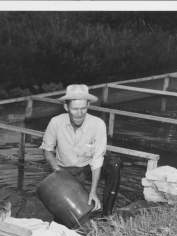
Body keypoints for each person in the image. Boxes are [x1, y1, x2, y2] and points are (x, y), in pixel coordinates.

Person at [40, 84, 122, 217]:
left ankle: (107, 216)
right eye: (75, 109)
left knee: (115, 163)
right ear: (66, 107)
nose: (79, 114)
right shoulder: (55, 122)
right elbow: (47, 150)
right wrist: (57, 170)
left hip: (87, 167)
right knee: (67, 218)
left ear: (88, 105)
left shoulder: (98, 124)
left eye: (83, 108)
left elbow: (97, 159)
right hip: (65, 171)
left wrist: (93, 191)